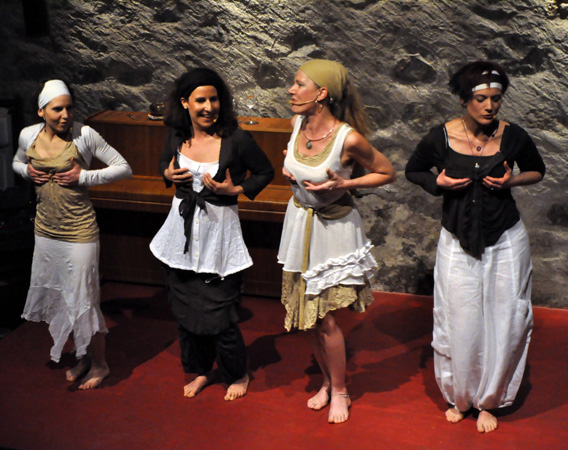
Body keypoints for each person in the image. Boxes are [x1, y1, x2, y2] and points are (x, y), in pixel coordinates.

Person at [405, 61, 545, 433]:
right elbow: (413, 170)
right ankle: (461, 396)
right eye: (481, 99)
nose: (489, 106)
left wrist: (513, 182)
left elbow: (537, 170)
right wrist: (438, 183)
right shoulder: (442, 136)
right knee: (459, 319)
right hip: (457, 239)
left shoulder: (513, 136)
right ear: (464, 99)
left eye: (496, 99)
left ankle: (490, 401)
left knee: (506, 319)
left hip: (505, 239)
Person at [278, 60, 397, 424]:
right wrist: (289, 171)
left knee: (325, 318)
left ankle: (341, 390)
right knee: (307, 318)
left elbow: (386, 172)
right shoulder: (296, 124)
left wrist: (346, 184)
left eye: (299, 84)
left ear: (322, 93)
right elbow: (297, 168)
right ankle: (327, 381)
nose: (291, 90)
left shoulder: (348, 139)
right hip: (300, 225)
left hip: (333, 232)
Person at [150, 68, 274, 401]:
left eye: (214, 99)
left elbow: (265, 171)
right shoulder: (177, 135)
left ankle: (237, 373)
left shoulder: (237, 139)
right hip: (181, 235)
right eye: (201, 100)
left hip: (218, 237)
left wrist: (237, 189)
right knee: (185, 311)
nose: (208, 107)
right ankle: (202, 370)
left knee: (220, 314)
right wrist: (167, 173)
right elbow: (163, 162)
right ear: (185, 103)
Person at [12, 79, 132, 389]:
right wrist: (26, 171)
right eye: (57, 109)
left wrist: (85, 176)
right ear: (41, 111)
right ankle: (83, 356)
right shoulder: (28, 135)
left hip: (79, 231)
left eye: (69, 108)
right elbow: (16, 161)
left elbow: (123, 167)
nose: (65, 115)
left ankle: (101, 364)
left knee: (85, 299)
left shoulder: (85, 135)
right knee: (64, 299)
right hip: (45, 230)